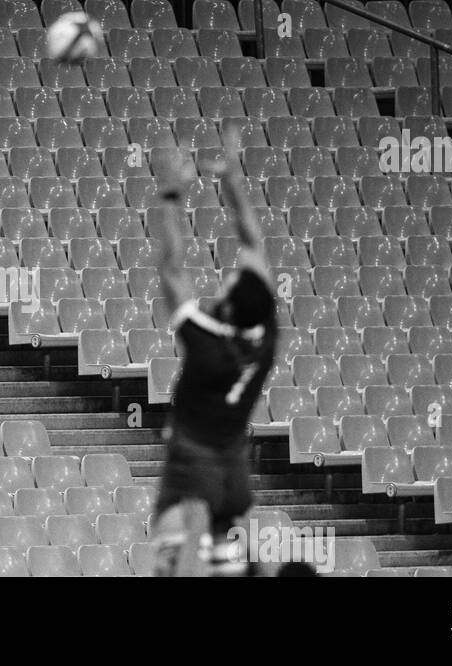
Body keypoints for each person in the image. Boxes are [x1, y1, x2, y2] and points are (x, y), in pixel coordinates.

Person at [150, 132, 280, 577]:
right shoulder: (264, 337)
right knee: (239, 536)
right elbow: (255, 243)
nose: (227, 278)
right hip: (234, 459)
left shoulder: (205, 346)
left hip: (195, 457)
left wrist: (171, 193)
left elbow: (170, 266)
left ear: (226, 307)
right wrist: (232, 180)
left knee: (190, 538)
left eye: (227, 283)